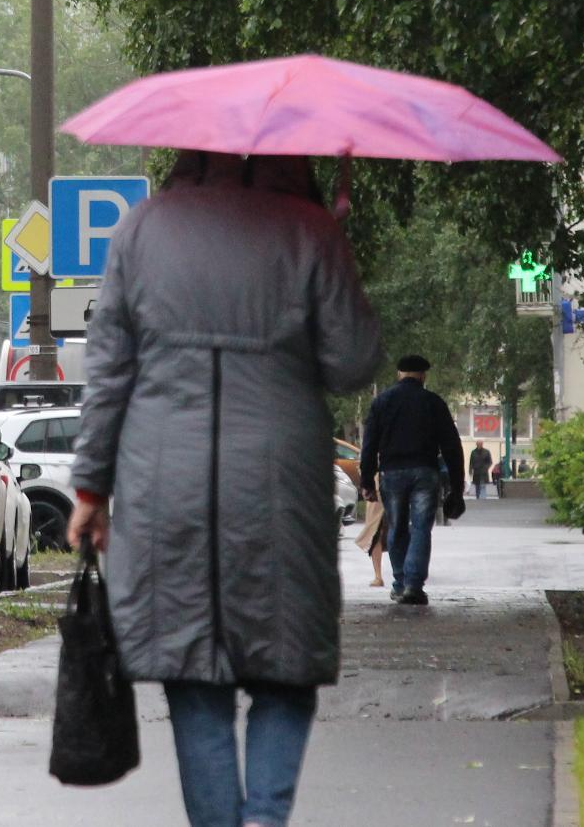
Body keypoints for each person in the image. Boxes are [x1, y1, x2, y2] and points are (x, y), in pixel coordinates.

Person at [68, 151, 381, 827]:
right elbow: (351, 361)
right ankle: (264, 820)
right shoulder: (308, 229)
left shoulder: (142, 230)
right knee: (285, 669)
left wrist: (91, 488)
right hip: (280, 481)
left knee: (195, 678)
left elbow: (107, 373)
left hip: (163, 481)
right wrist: (334, 245)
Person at [361, 355, 464, 605]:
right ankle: (414, 585)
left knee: (396, 526)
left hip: (392, 473)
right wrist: (457, 486)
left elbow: (369, 444)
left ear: (399, 374)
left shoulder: (382, 402)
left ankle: (399, 583)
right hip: (424, 473)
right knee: (420, 528)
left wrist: (366, 481)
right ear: (423, 375)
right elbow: (451, 445)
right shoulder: (433, 402)